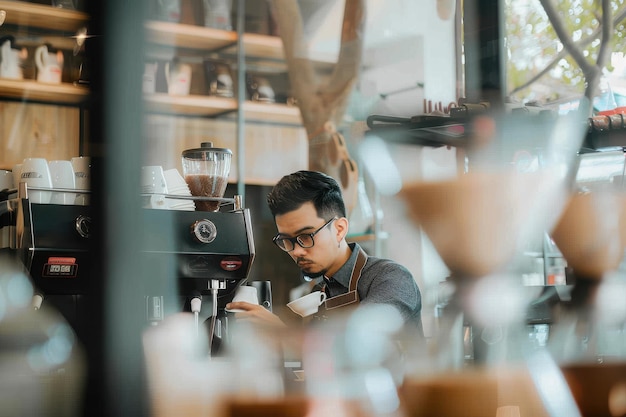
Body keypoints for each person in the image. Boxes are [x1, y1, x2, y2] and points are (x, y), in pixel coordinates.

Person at [226, 170, 423, 336]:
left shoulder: (391, 278)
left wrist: (283, 332)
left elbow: (363, 339)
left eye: (305, 236)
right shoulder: (319, 293)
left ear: (339, 229)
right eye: (286, 240)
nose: (296, 250)